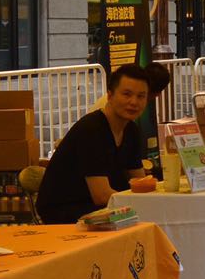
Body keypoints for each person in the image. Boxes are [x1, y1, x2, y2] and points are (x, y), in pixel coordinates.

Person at [36, 64, 150, 224]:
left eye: (141, 96)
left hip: (102, 208)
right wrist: (139, 205)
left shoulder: (131, 130)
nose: (134, 102)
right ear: (109, 95)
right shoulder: (92, 129)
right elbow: (101, 196)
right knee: (137, 221)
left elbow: (140, 182)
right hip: (66, 210)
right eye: (127, 94)